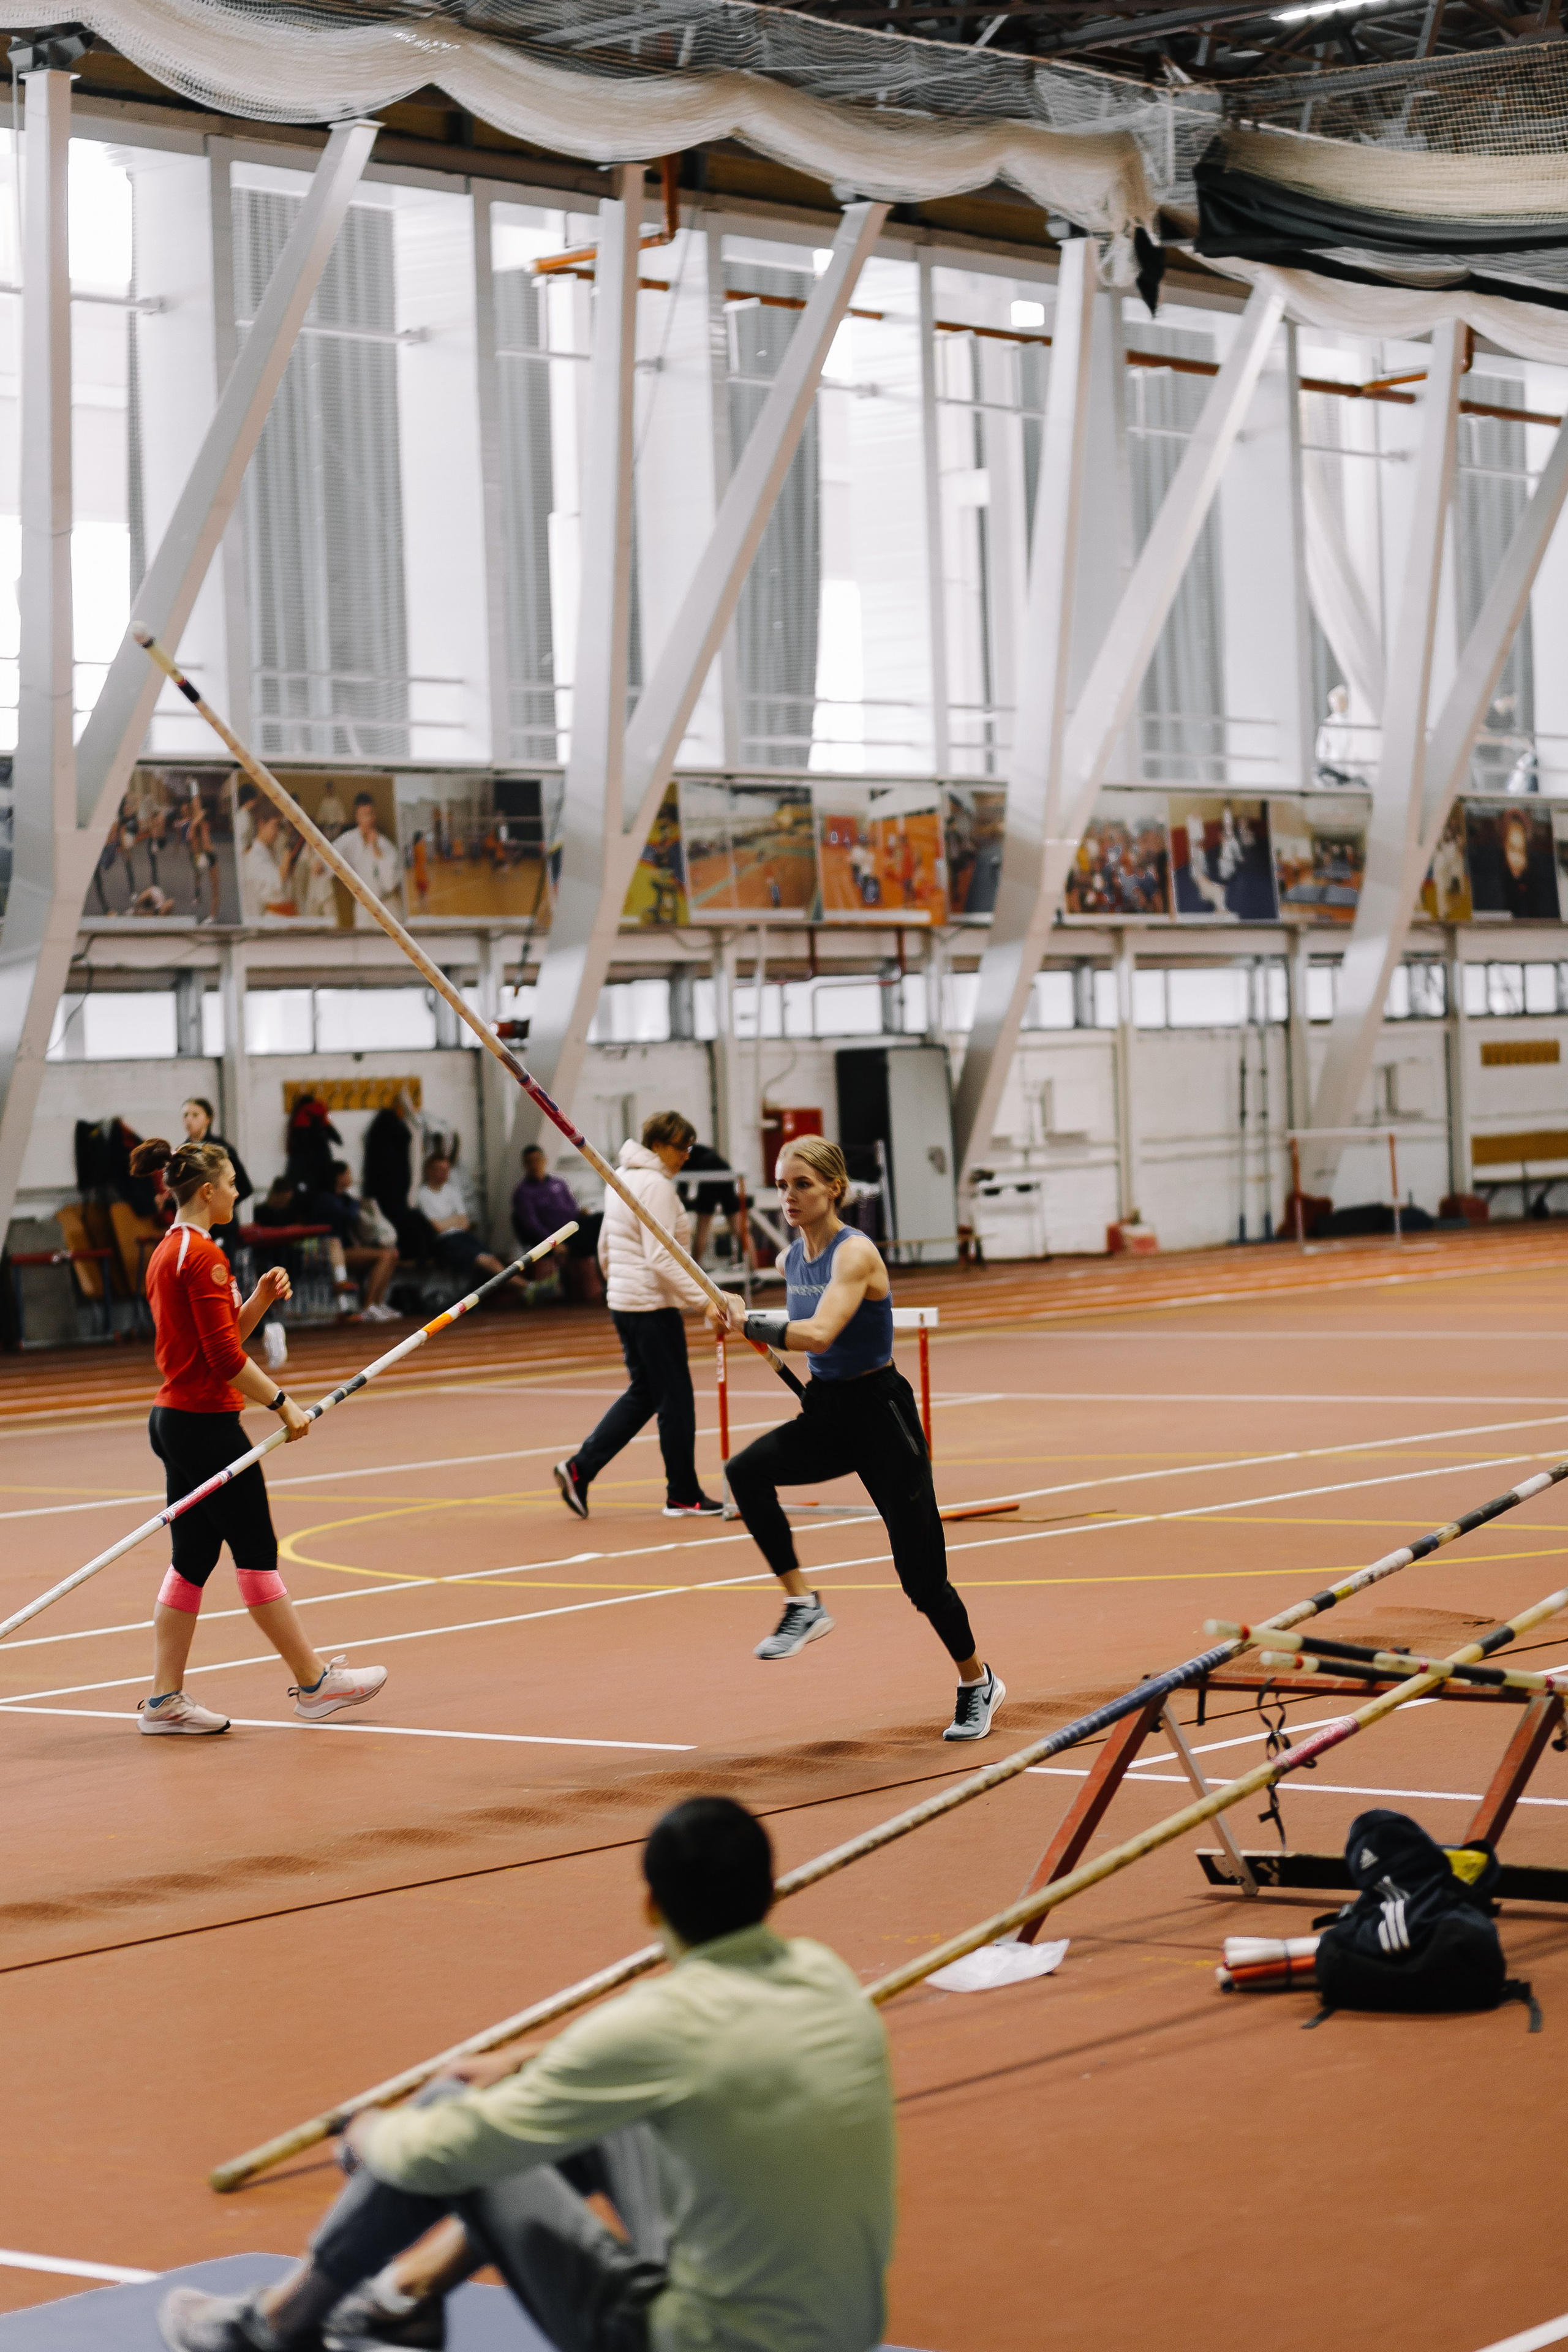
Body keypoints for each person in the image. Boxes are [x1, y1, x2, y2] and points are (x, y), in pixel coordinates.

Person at [157, 1796, 895, 2352]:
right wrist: (523, 2062)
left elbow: (446, 2153)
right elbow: (645, 2059)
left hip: (694, 2342)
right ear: (770, 1894)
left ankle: (275, 2327)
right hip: (844, 2331)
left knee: (451, 2113)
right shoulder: (821, 1973)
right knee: (574, 2114)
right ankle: (407, 2297)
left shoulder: (657, 2027)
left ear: (649, 1906)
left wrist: (375, 2135)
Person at [712, 1136, 1003, 1743]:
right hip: (828, 1413)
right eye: (781, 1185)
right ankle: (803, 1605)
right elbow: (785, 1324)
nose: (788, 1196)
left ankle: (977, 1683)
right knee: (745, 1472)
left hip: (881, 1417)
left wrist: (752, 1322)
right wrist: (733, 1311)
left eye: (802, 1185)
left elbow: (817, 1334)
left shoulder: (856, 1255)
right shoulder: (793, 1260)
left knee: (921, 1580)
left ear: (834, 1189)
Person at [129, 1137, 388, 1740]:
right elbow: (223, 1360)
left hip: (175, 1420)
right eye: (233, 1183)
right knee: (256, 1550)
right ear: (209, 1190)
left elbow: (213, 1342)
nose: (240, 1192)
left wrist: (259, 1302)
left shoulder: (170, 1249)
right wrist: (282, 1403)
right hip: (205, 1425)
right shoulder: (205, 1256)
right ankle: (315, 1682)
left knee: (193, 1559)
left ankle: (165, 1698)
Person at [552, 1113, 723, 1521]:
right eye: (680, 1146)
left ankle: (581, 1468)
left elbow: (607, 1246)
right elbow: (663, 1256)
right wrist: (706, 1301)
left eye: (690, 1147)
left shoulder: (622, 1178)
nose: (686, 1155)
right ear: (658, 1146)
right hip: (650, 1306)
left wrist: (617, 1288)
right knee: (676, 1401)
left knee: (647, 1393)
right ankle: (682, 1493)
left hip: (627, 1303)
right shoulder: (657, 1186)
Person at [414, 1150, 525, 1298]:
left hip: (462, 1237)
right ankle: (526, 1287)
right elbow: (438, 1228)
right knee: (487, 1261)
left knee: (491, 1260)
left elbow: (465, 1223)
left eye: (447, 1170)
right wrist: (454, 1220)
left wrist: (447, 1222)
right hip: (444, 1242)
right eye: (440, 1169)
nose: (444, 1173)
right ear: (430, 1171)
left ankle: (524, 1288)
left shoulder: (452, 1191)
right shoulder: (423, 1195)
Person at [313, 1161, 400, 1323]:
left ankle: (378, 1302)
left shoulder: (344, 1198)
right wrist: (356, 1203)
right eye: (348, 1174)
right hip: (332, 1251)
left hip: (348, 1248)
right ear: (339, 1177)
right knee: (384, 1256)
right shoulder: (326, 1199)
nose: (351, 1177)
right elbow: (348, 1216)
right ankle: (368, 1305)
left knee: (392, 1254)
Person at [511, 1143, 601, 1292]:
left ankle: (607, 1277)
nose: (534, 1165)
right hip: (553, 1237)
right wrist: (553, 1243)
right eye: (530, 1162)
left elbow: (572, 1208)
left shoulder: (559, 1183)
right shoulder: (523, 1193)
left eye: (537, 1160)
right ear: (525, 1165)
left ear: (545, 1160)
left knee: (600, 1220)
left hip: (573, 1230)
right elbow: (532, 1225)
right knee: (590, 1238)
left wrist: (582, 1213)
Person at [337, 792, 402, 929]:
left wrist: (377, 850)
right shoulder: (349, 840)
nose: (369, 819)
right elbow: (330, 853)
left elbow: (390, 884)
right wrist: (320, 865)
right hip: (364, 910)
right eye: (364, 815)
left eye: (371, 814)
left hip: (387, 907)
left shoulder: (386, 845)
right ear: (357, 817)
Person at [240, 807, 300, 921]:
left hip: (287, 915)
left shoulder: (272, 850)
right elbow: (278, 882)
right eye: (275, 826)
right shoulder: (256, 856)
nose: (278, 831)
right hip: (273, 918)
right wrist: (289, 846)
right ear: (262, 824)